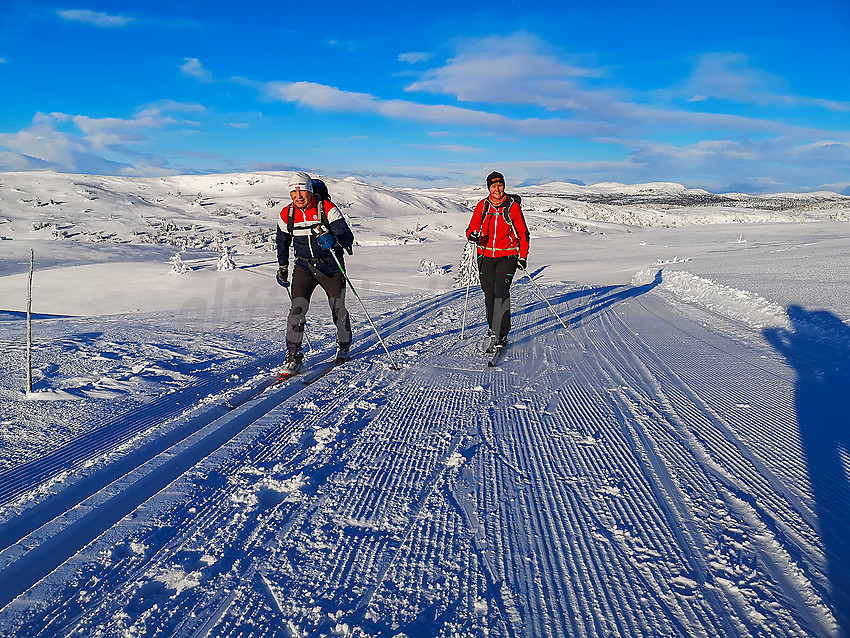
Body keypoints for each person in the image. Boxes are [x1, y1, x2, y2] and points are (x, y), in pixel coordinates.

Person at [276, 172, 355, 375]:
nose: (298, 195)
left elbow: (347, 235)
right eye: (293, 191)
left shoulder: (327, 209)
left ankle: (344, 344)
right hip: (304, 267)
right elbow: (282, 243)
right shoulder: (287, 214)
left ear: (310, 190)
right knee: (297, 310)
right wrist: (283, 268)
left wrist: (335, 240)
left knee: (338, 308)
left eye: (301, 189)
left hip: (330, 266)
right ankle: (293, 356)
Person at [465, 171, 530, 352]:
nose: (497, 189)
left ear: (504, 186)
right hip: (485, 255)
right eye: (493, 186)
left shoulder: (513, 207)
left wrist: (522, 256)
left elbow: (523, 234)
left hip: (507, 255)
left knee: (501, 290)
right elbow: (471, 228)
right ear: (488, 188)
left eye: (499, 185)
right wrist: (473, 236)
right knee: (488, 292)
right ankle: (492, 327)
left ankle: (502, 332)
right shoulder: (483, 206)